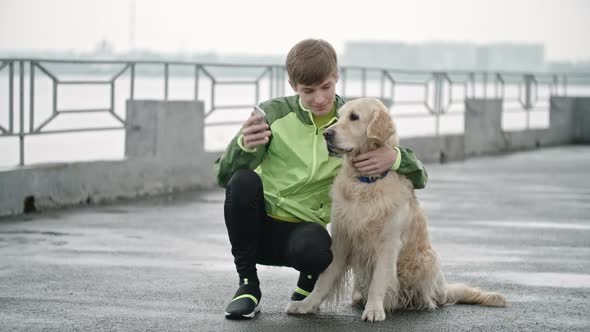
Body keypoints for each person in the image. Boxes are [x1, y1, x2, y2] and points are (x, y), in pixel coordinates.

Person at [214, 39, 428, 319]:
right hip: (262, 228)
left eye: (326, 87)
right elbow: (223, 176)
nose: (319, 98)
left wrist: (395, 157)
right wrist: (242, 146)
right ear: (293, 86)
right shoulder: (272, 113)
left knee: (317, 249)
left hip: (304, 234)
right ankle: (247, 286)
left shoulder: (351, 119)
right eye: (308, 91)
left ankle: (307, 284)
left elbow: (419, 176)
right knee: (242, 182)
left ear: (336, 76)